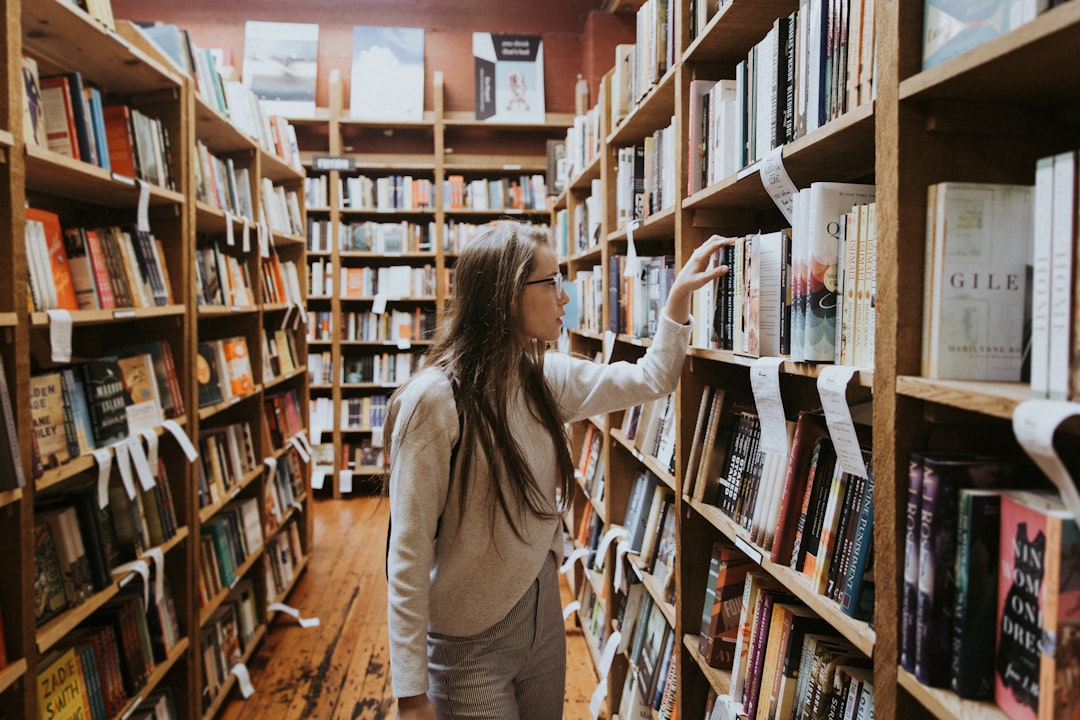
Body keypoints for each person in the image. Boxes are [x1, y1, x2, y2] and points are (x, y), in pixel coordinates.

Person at [385, 221, 729, 720]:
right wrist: (411, 692)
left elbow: (651, 378)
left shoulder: (546, 377)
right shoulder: (434, 402)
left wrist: (675, 303)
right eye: (551, 282)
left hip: (542, 618)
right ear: (507, 297)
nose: (564, 296)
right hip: (468, 642)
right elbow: (408, 550)